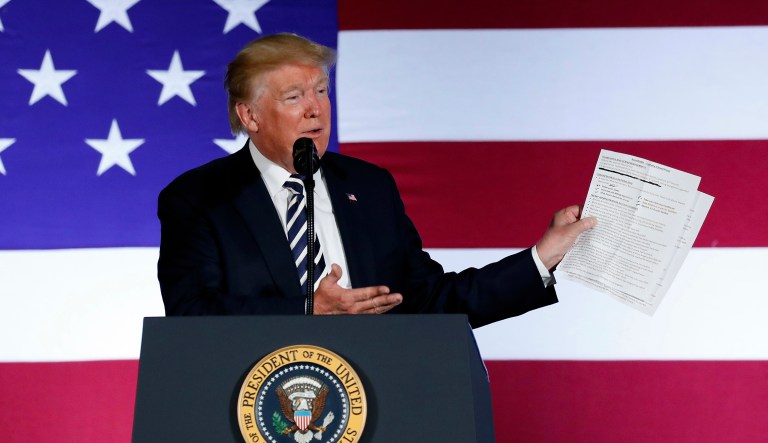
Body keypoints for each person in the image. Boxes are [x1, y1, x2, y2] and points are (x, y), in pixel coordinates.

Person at [157, 33, 595, 328]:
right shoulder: (199, 198)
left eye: (322, 91)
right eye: (294, 97)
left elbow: (428, 301)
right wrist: (309, 310)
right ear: (248, 115)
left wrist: (541, 256)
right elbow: (190, 312)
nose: (316, 109)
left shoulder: (369, 188)